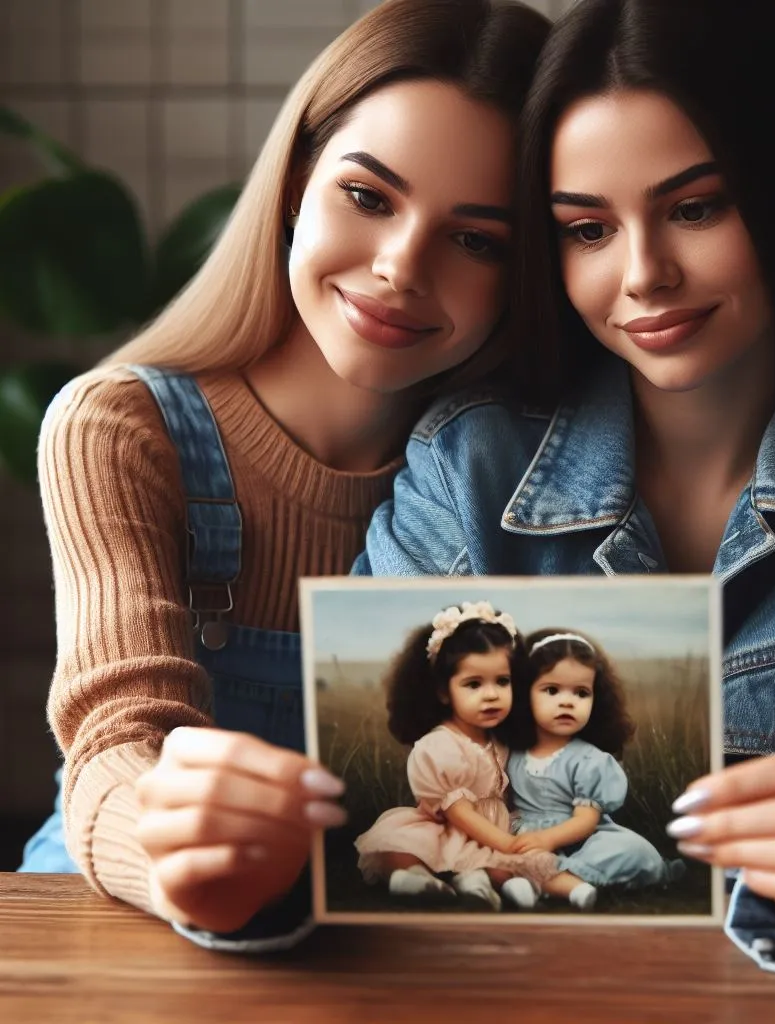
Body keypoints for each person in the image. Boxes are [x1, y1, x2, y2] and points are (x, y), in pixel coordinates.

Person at [354, 0, 775, 971]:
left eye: (695, 207)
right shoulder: (467, 465)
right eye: (586, 229)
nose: (644, 274)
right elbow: (382, 779)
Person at [22, 0, 550, 951]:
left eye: (476, 240)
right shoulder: (119, 430)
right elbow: (113, 738)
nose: (399, 266)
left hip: (380, 955)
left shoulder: (515, 470)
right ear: (298, 183)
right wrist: (189, 860)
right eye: (369, 195)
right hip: (118, 923)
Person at [354, 601, 556, 910]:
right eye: (473, 684)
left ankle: (492, 886)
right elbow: (458, 813)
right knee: (398, 847)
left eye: (502, 681)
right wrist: (507, 843)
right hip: (449, 827)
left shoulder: (499, 741)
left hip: (491, 829)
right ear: (444, 691)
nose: (491, 694)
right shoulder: (440, 746)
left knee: (502, 863)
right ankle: (415, 880)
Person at [503, 629, 684, 908]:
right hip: (526, 834)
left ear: (595, 699)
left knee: (635, 851)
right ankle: (549, 883)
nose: (567, 701)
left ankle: (556, 880)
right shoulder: (512, 752)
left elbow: (586, 821)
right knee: (504, 850)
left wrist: (548, 838)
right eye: (551, 690)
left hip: (583, 838)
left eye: (581, 693)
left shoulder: (589, 760)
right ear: (525, 695)